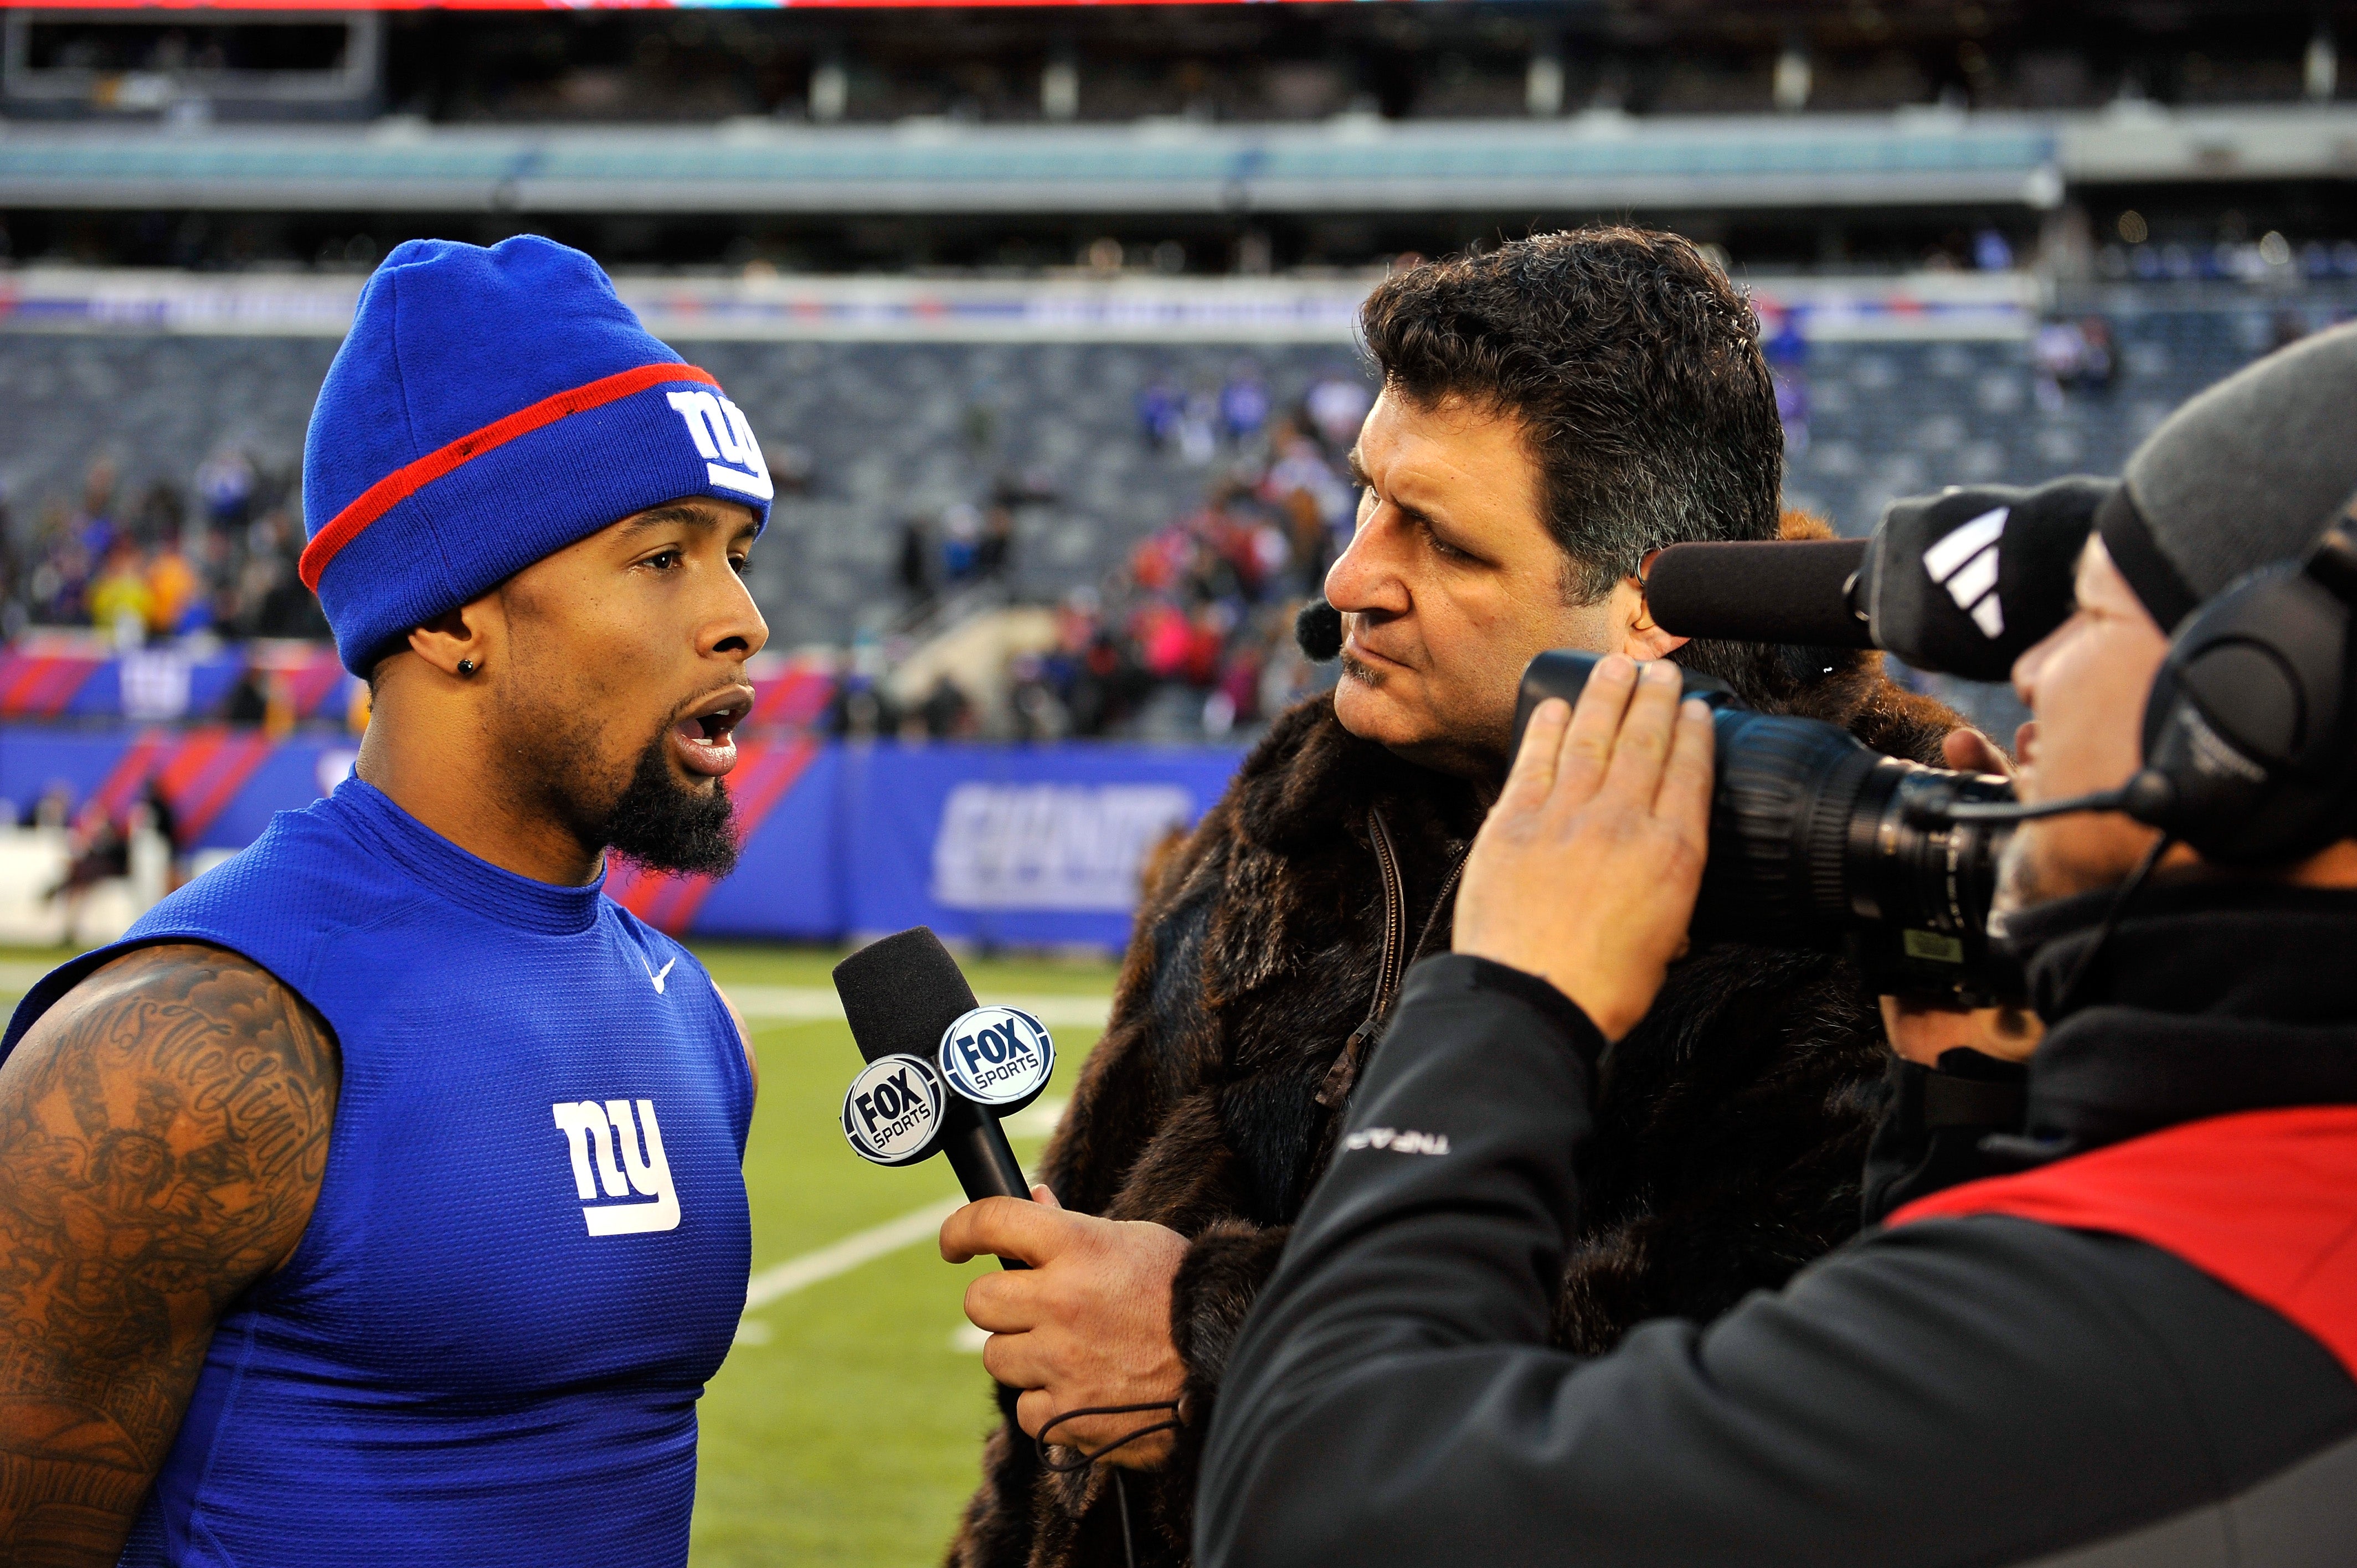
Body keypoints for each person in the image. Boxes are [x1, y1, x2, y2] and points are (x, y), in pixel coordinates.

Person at [1192, 323, 2357, 1565]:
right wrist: (1961, 1116)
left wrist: (1507, 995)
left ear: (2256, 718)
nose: (2032, 682)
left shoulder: (2176, 1315)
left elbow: (1310, 1512)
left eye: (2083, 618)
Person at [939, 227, 1967, 1568]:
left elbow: (1780, 1409)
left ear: (1649, 608)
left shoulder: (1882, 873)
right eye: (1368, 497)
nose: (1348, 577)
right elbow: (1062, 1413)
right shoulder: (1286, 819)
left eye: (1440, 540)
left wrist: (1217, 1334)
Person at [0, 235, 774, 1566]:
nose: (741, 617)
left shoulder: (693, 1016)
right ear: (449, 617)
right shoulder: (193, 1046)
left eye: (737, 551)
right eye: (662, 558)